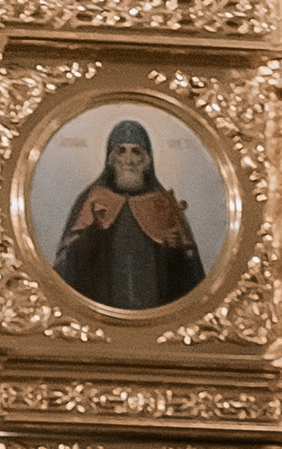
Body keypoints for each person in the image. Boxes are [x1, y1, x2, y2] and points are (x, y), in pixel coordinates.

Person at [50, 120, 206, 310]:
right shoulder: (93, 199)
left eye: (136, 151)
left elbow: (187, 271)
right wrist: (93, 233)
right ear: (111, 156)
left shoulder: (162, 204)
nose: (129, 159)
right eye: (121, 150)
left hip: (152, 302)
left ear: (146, 157)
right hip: (104, 300)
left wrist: (173, 250)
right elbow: (70, 261)